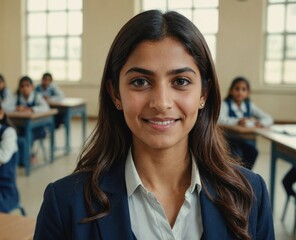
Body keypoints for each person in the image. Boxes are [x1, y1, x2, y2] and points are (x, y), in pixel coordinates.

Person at [34, 10, 274, 240]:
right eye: (140, 82)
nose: (161, 103)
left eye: (181, 81)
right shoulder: (65, 202)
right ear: (115, 93)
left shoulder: (250, 195)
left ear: (204, 93)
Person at [219, 76, 273, 169]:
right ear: (231, 91)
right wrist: (237, 121)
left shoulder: (249, 105)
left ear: (248, 93)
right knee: (236, 153)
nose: (240, 92)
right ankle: (233, 175)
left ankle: (246, 175)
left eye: (244, 89)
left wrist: (261, 123)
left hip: (244, 140)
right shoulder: (225, 104)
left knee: (253, 152)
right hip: (229, 139)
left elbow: (268, 118)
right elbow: (220, 120)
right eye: (237, 89)